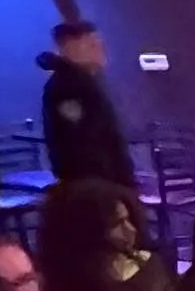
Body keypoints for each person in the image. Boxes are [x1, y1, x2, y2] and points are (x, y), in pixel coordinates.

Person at [34, 175, 177, 291]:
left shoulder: (150, 266)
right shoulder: (72, 288)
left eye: (129, 220)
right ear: (88, 231)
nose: (131, 230)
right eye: (117, 224)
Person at [38, 15, 136, 188]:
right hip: (95, 184)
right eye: (91, 44)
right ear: (69, 47)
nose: (99, 50)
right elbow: (84, 141)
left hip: (103, 181)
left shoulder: (85, 82)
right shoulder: (68, 86)